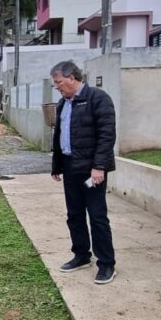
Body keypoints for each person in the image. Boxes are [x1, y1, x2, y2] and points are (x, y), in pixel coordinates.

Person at [50, 60, 117, 284]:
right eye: (56, 84)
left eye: (59, 82)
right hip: (70, 167)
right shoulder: (63, 103)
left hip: (91, 169)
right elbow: (60, 135)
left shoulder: (98, 98)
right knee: (74, 214)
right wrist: (57, 165)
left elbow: (107, 136)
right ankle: (81, 255)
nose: (58, 87)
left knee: (97, 216)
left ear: (72, 78)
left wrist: (99, 167)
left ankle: (106, 263)